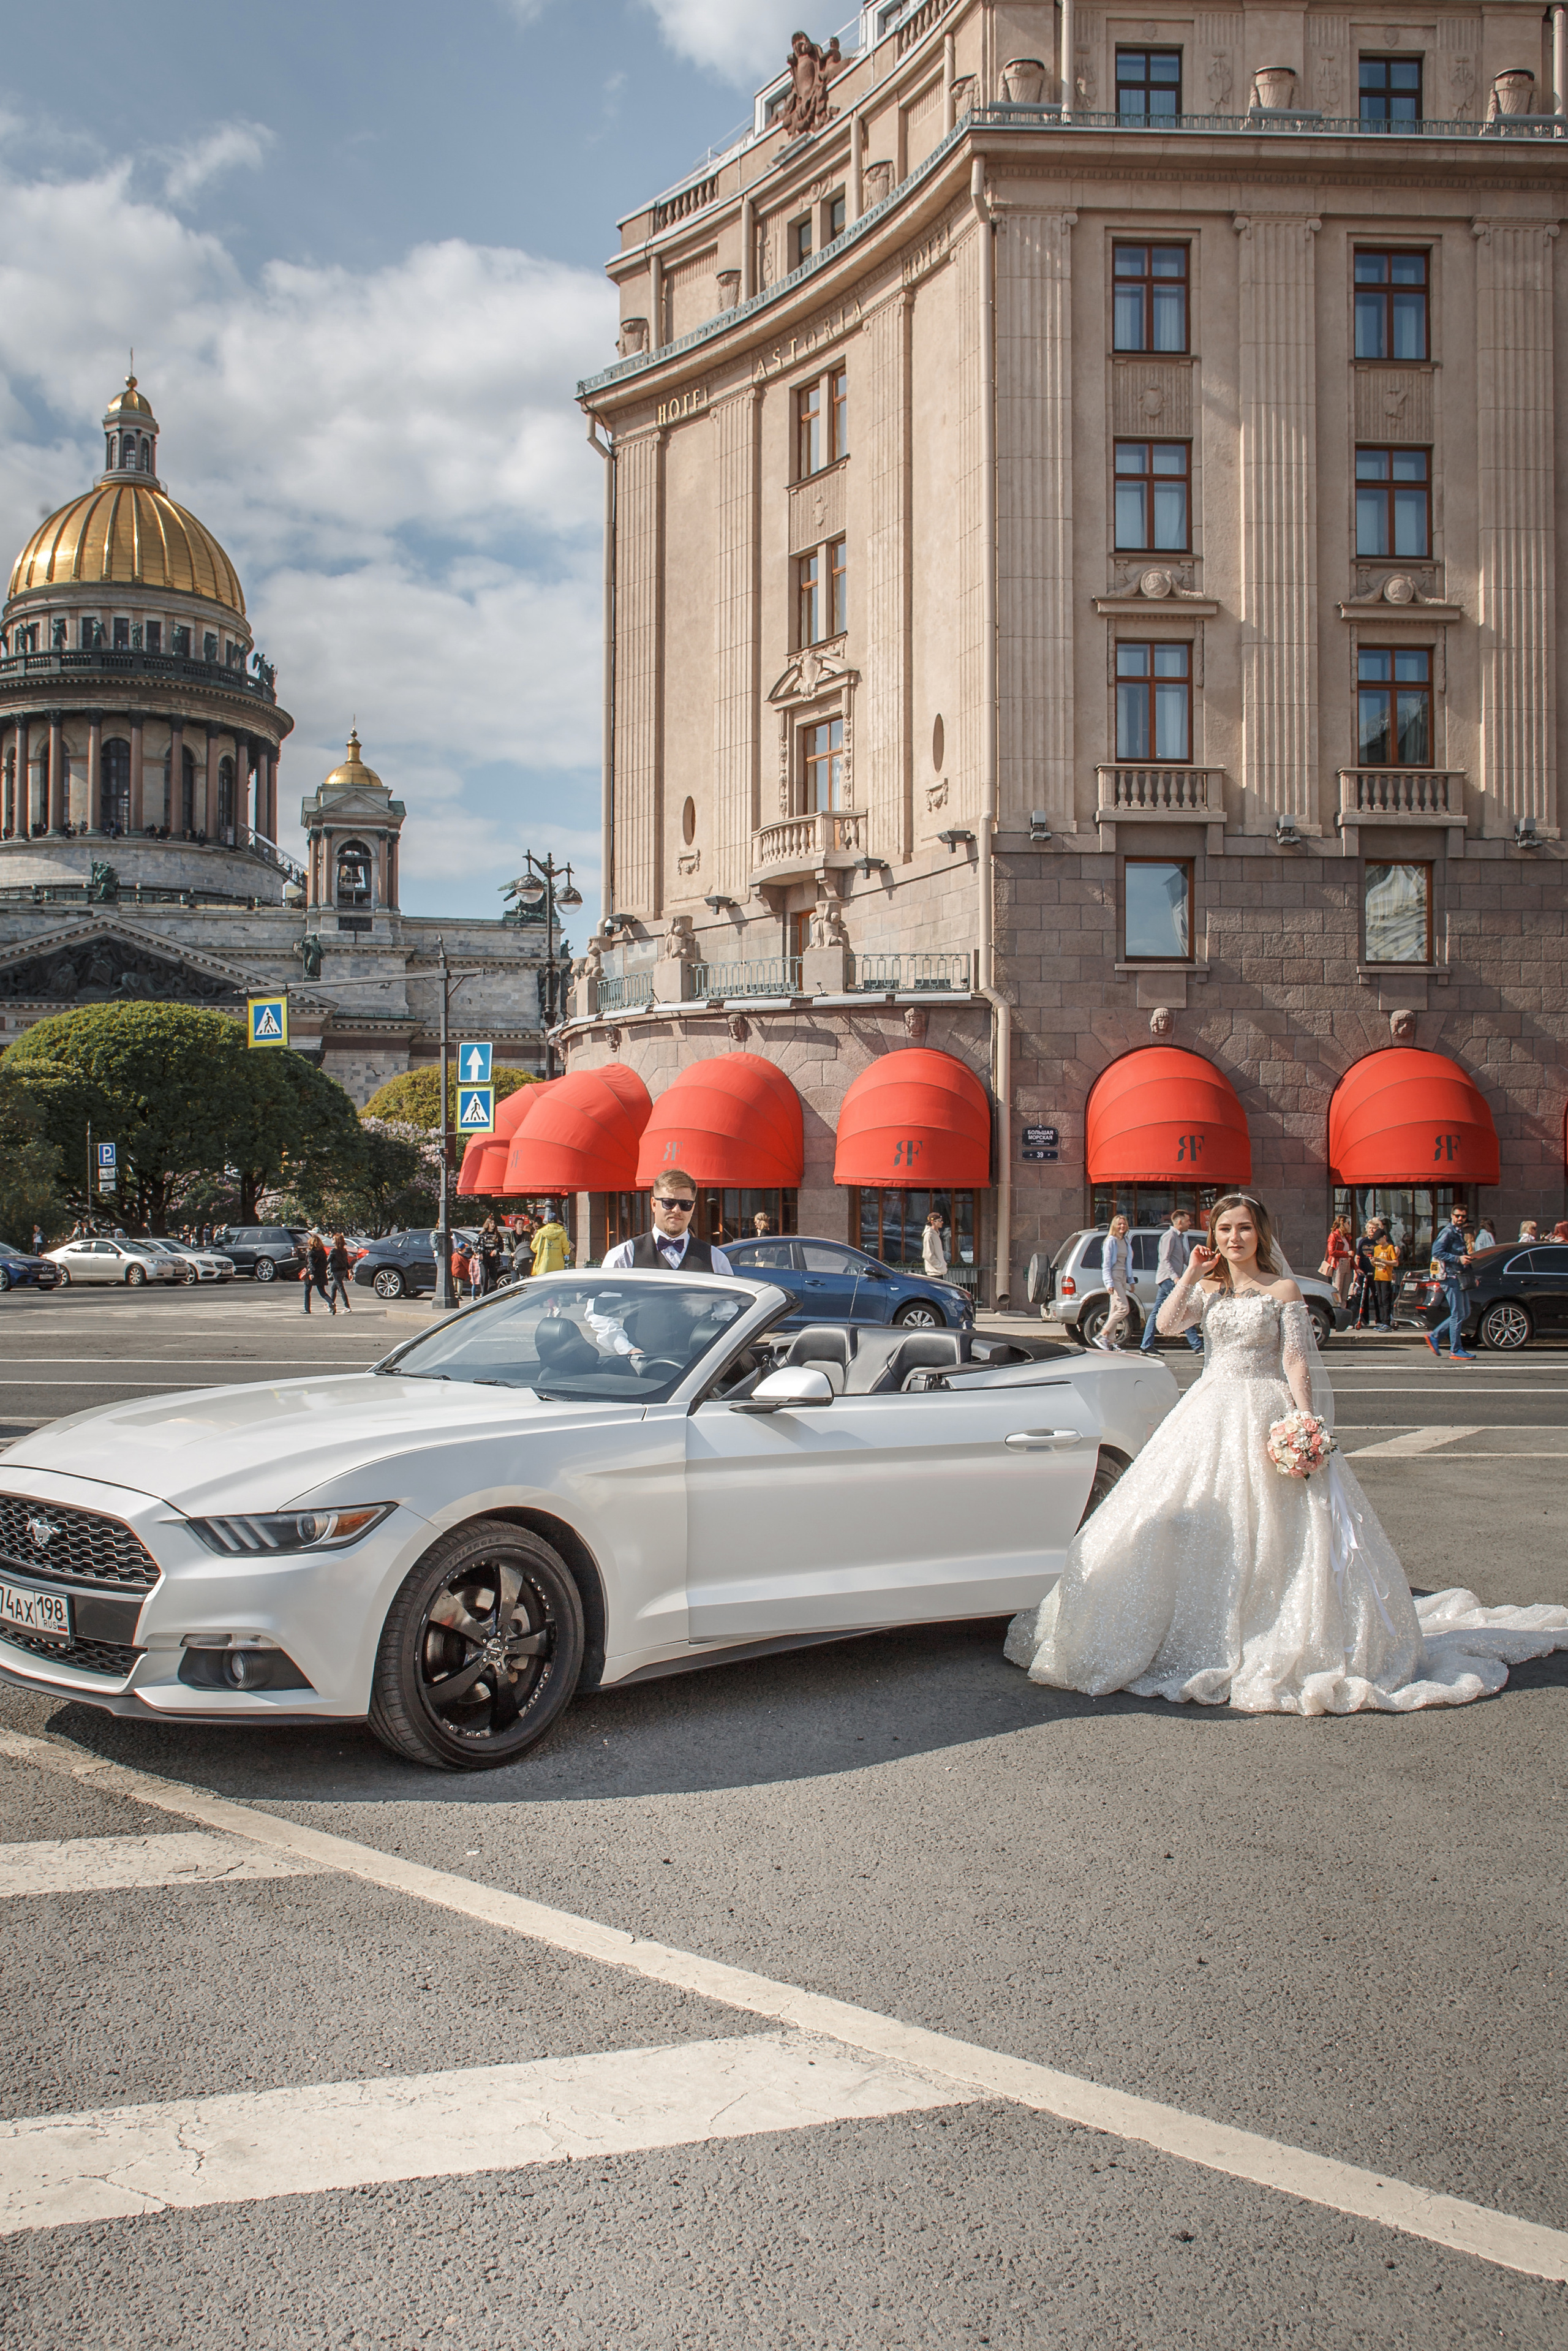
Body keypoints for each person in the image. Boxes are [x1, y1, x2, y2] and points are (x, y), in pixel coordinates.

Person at [1005, 1191, 1568, 1712]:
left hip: (1266, 1406)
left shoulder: (1284, 1291)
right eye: (1223, 1228)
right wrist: (1193, 1274)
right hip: (1209, 1408)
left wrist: (1304, 1421)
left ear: (1260, 1233)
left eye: (1243, 1228)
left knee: (1282, 1530)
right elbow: (1170, 1324)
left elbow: (1297, 1361)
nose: (1233, 1237)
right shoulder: (1209, 1288)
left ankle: (1274, 1626)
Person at [601, 1170, 733, 1277]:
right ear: (653, 1204)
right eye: (669, 1203)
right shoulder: (624, 1257)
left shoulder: (715, 1259)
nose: (676, 1210)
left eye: (685, 1204)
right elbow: (600, 1307)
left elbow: (729, 1308)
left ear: (692, 1208)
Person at [1141, 1209, 1202, 1356]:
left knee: (1157, 1312)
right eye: (1188, 1220)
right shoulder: (1169, 1236)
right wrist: (1175, 1277)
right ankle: (1198, 1346)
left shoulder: (1180, 1237)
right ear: (1180, 1221)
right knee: (1183, 1307)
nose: (1190, 1223)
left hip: (1171, 1279)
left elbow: (1186, 1259)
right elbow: (1165, 1259)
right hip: (1168, 1279)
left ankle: (1146, 1345)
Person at [1427, 1206, 1477, 1361]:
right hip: (1451, 1278)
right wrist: (1458, 1259)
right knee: (1457, 1314)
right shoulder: (1448, 1232)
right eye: (1457, 1216)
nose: (1460, 1219)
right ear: (1452, 1216)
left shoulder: (1459, 1232)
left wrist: (1471, 1275)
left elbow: (1463, 1255)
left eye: (1463, 1217)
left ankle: (1435, 1336)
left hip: (1460, 1277)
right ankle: (1456, 1349)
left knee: (1464, 1313)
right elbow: (1437, 1251)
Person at [1095, 1214, 1133, 1351]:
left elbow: (1127, 1262)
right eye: (1119, 1224)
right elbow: (1106, 1264)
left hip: (1122, 1276)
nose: (1122, 1226)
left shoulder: (1125, 1240)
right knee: (1123, 1308)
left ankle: (1110, 1343)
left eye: (1124, 1224)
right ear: (1114, 1226)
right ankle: (1102, 1335)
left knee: (1115, 1310)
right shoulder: (1111, 1241)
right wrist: (1109, 1283)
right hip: (1114, 1276)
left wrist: (1131, 1280)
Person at [1352, 1221, 1380, 1330]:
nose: (1372, 1230)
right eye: (1370, 1228)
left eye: (1374, 1228)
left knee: (1377, 1295)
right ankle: (1364, 1320)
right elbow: (1358, 1257)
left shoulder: (1378, 1242)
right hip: (1364, 1271)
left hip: (1376, 1272)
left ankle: (1379, 1319)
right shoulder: (1363, 1241)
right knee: (1364, 1296)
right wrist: (1357, 1271)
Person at [530, 1205, 572, 1277]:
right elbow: (566, 1251)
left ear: (547, 1221)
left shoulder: (540, 1233)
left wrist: (542, 1250)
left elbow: (533, 1248)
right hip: (558, 1268)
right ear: (557, 1221)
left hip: (543, 1267)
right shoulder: (562, 1233)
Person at [1371, 1225, 1400, 1328]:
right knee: (1379, 1300)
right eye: (1376, 1241)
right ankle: (1382, 1321)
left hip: (1386, 1277)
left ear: (1384, 1237)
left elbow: (1395, 1263)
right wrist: (1373, 1262)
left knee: (1385, 1300)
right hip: (1377, 1276)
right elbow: (1375, 1263)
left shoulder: (1390, 1248)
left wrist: (1382, 1261)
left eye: (1379, 1240)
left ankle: (1387, 1322)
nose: (1378, 1242)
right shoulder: (1377, 1248)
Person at [1323, 1212, 1354, 1306]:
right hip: (1339, 1264)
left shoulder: (1347, 1237)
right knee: (1338, 1289)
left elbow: (1350, 1255)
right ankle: (1335, 1309)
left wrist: (1356, 1267)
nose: (1350, 1226)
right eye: (1348, 1223)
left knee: (1346, 1291)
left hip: (1347, 1263)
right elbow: (1332, 1251)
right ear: (1343, 1223)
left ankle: (1343, 1310)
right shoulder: (1334, 1235)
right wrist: (1346, 1254)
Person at [301, 1231, 333, 1316]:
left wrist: (311, 1272)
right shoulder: (322, 1252)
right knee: (322, 1292)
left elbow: (311, 1263)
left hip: (313, 1273)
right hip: (322, 1273)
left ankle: (307, 1309)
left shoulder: (311, 1252)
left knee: (307, 1291)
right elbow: (325, 1263)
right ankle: (331, 1303)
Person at [477, 1215, 505, 1297]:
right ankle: (484, 1293)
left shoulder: (497, 1235)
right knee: (484, 1276)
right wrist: (479, 1253)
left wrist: (496, 1250)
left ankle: (491, 1294)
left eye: (494, 1223)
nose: (493, 1225)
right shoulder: (482, 1235)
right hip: (484, 1258)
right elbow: (475, 1245)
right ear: (488, 1224)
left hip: (494, 1259)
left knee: (493, 1277)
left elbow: (501, 1246)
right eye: (491, 1223)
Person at [325, 1232, 352, 1314]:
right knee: (334, 1288)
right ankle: (331, 1305)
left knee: (341, 1289)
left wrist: (322, 1267)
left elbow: (328, 1261)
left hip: (336, 1271)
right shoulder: (344, 1250)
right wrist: (349, 1271)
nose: (332, 1240)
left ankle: (347, 1307)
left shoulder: (334, 1251)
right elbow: (347, 1262)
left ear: (336, 1241)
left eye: (333, 1239)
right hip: (343, 1271)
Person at [922, 1209, 949, 1279]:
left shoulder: (935, 1234)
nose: (942, 1222)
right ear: (933, 1222)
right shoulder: (929, 1235)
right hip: (934, 1273)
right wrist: (940, 1265)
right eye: (939, 1221)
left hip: (938, 1272)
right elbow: (928, 1255)